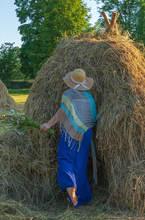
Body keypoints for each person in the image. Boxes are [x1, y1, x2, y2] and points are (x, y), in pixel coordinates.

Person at [40, 68, 97, 207]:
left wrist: (48, 124)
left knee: (64, 159)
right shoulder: (89, 97)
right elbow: (94, 118)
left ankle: (70, 186)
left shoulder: (68, 94)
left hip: (70, 134)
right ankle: (81, 198)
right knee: (80, 165)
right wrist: (83, 127)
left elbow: (61, 112)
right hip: (85, 134)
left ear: (71, 81)